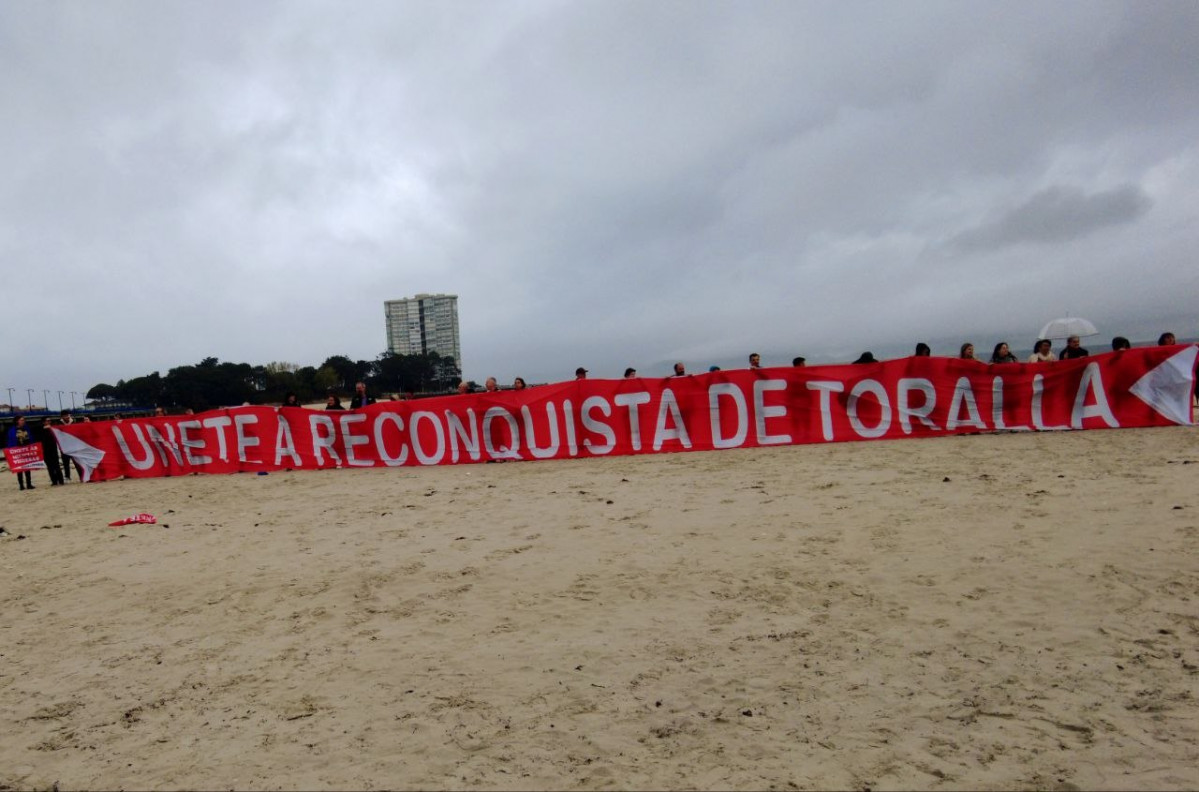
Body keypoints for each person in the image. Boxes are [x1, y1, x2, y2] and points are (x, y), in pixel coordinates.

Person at [6, 415, 35, 491]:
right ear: (17, 421)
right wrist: (11, 451)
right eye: (21, 420)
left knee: (28, 468)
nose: (23, 421)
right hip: (17, 451)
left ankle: (29, 484)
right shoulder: (12, 430)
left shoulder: (26, 428)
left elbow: (31, 438)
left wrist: (32, 447)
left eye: (23, 420)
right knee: (19, 469)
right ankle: (21, 485)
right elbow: (10, 441)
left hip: (26, 450)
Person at [39, 419, 64, 486]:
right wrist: (43, 428)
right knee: (50, 466)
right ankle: (54, 481)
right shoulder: (40, 429)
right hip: (45, 450)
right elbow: (37, 433)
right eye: (47, 420)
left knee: (56, 465)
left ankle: (61, 480)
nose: (49, 421)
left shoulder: (53, 427)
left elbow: (60, 427)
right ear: (44, 422)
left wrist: (51, 427)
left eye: (49, 420)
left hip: (53, 449)